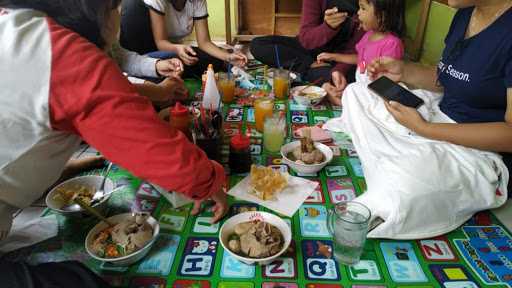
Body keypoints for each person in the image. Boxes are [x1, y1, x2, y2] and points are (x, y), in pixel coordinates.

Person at [0, 0, 228, 250]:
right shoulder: (67, 55)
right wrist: (209, 178)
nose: (120, 15)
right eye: (116, 7)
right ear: (96, 10)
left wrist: (158, 92)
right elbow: (148, 145)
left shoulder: (20, 25)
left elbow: (97, 88)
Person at [324, 0, 512, 239]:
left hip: (476, 148)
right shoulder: (465, 13)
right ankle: (401, 154)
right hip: (435, 116)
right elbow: (447, 78)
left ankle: (398, 160)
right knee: (358, 93)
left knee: (401, 193)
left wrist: (425, 129)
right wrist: (404, 70)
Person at [250, 0, 365, 106]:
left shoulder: (366, 7)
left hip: (338, 59)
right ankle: (313, 73)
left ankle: (311, 76)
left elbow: (357, 51)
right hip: (306, 51)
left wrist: (339, 70)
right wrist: (328, 27)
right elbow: (306, 41)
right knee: (258, 45)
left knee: (355, 77)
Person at [120, 0, 247, 78]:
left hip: (172, 49)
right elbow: (160, 42)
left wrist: (227, 56)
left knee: (211, 59)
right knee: (173, 63)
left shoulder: (196, 1)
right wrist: (177, 49)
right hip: (149, 49)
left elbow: (204, 42)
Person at [316, 0, 405, 85]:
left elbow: (388, 81)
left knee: (350, 89)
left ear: (382, 15)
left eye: (363, 8)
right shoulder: (368, 35)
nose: (358, 12)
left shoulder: (392, 44)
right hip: (361, 84)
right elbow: (360, 59)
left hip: (378, 90)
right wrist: (333, 57)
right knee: (350, 89)